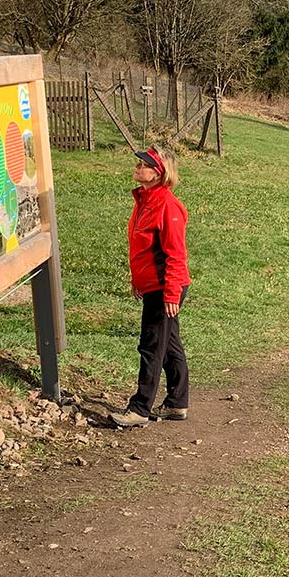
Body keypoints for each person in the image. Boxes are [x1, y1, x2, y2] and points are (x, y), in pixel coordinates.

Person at [110, 147, 190, 428]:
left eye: (144, 164)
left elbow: (176, 254)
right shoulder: (144, 200)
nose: (137, 167)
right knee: (169, 345)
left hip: (166, 286)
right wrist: (137, 280)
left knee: (151, 347)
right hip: (153, 284)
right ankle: (177, 403)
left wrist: (171, 293)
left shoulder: (167, 206)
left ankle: (140, 409)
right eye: (138, 163)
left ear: (159, 173)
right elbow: (142, 248)